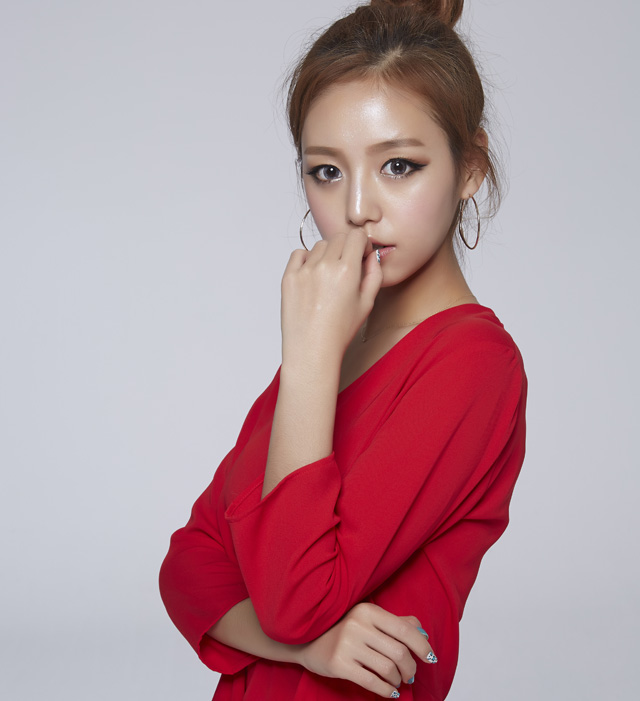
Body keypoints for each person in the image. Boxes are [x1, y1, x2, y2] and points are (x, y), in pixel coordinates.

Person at [159, 0, 527, 698]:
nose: (358, 208)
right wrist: (314, 646)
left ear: (471, 166)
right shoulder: (329, 347)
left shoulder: (473, 363)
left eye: (398, 165)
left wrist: (307, 359)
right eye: (327, 171)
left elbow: (292, 598)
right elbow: (186, 566)